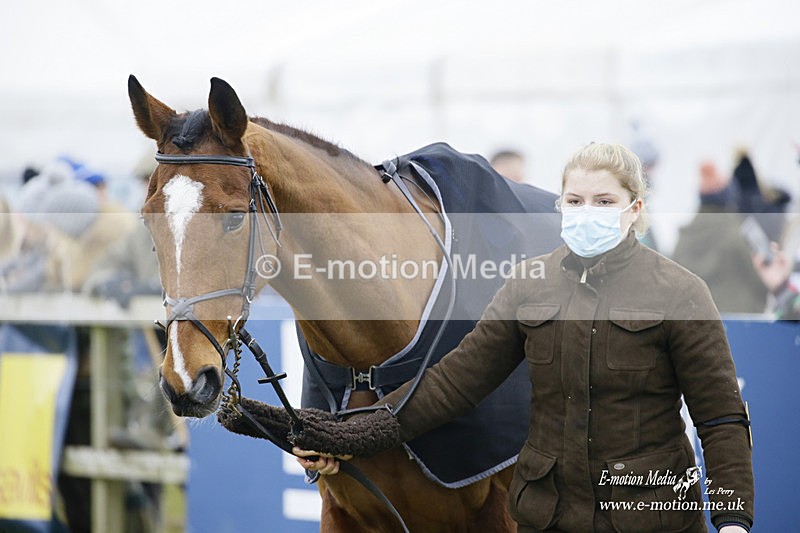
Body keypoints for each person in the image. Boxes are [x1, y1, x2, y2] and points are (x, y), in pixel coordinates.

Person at [291, 142, 754, 532]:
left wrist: (733, 520)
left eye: (604, 202)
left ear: (634, 210)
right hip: (548, 518)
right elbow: (453, 384)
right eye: (575, 202)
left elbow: (720, 418)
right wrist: (343, 433)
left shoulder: (681, 293)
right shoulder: (529, 284)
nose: (586, 214)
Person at [671, 161, 768, 314]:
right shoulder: (738, 232)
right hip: (742, 324)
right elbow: (764, 278)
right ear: (728, 196)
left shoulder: (684, 239)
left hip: (697, 326)